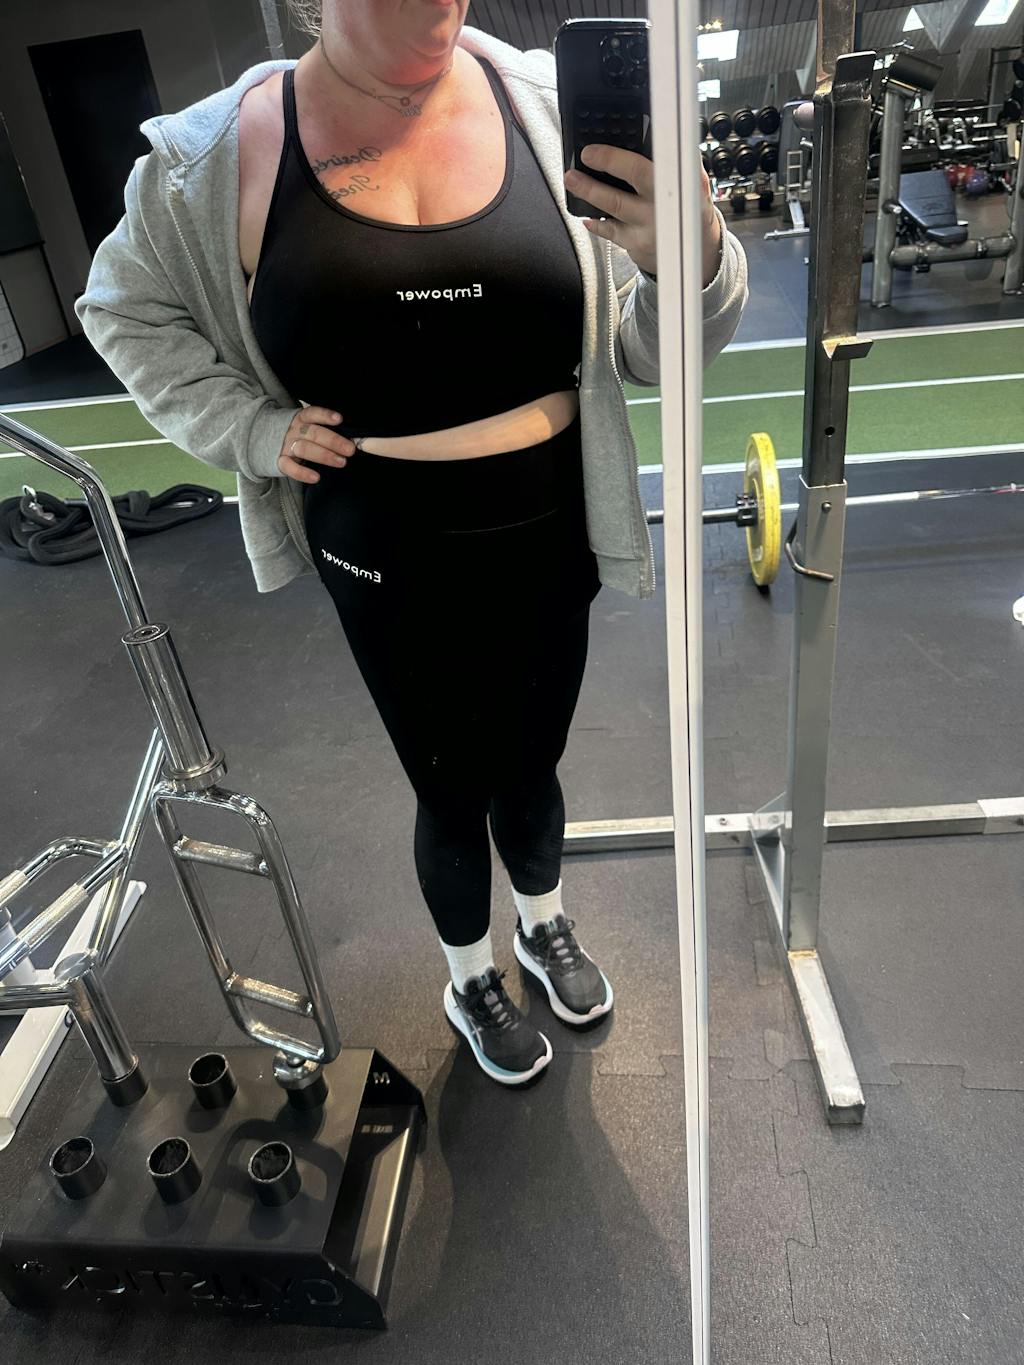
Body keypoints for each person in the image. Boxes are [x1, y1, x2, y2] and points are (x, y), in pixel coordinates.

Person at [75, 1, 748, 1087]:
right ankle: (470, 974)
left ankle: (543, 921)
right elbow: (120, 309)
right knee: (448, 784)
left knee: (530, 763)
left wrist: (692, 260)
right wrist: (247, 428)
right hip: (383, 539)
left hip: (550, 521)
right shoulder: (214, 156)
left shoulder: (544, 108)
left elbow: (647, 352)